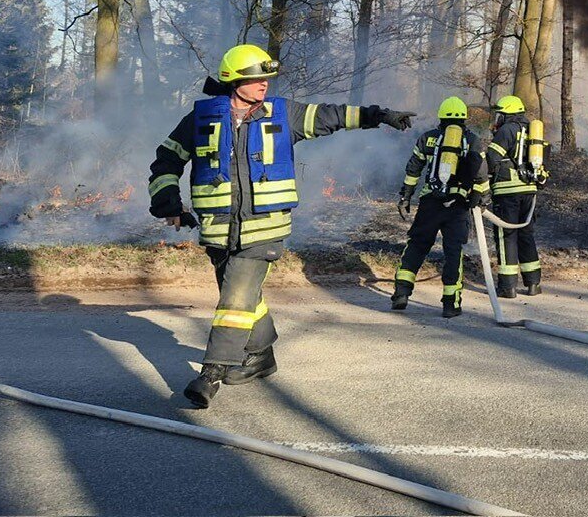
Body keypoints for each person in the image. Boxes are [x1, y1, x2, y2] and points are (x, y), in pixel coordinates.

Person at [147, 43, 413, 408]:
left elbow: (332, 115)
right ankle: (261, 356)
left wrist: (378, 115)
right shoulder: (201, 118)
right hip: (218, 230)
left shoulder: (283, 114)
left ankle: (212, 373)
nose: (264, 85)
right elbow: (166, 159)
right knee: (244, 297)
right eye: (256, 79)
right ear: (234, 80)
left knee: (234, 299)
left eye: (267, 79)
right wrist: (168, 202)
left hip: (265, 229)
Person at [391, 96, 489, 318]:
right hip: (458, 205)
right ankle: (450, 304)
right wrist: (482, 198)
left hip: (430, 202)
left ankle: (401, 292)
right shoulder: (472, 140)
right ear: (464, 118)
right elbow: (481, 174)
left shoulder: (428, 138)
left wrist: (405, 196)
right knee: (453, 252)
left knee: (417, 245)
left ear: (441, 117)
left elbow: (413, 169)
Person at [486, 95, 544, 298]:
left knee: (506, 236)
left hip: (507, 191)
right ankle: (533, 283)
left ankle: (508, 286)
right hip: (529, 190)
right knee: (526, 234)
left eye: (500, 114)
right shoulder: (532, 130)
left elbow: (492, 158)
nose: (498, 118)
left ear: (507, 114)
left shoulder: (507, 130)